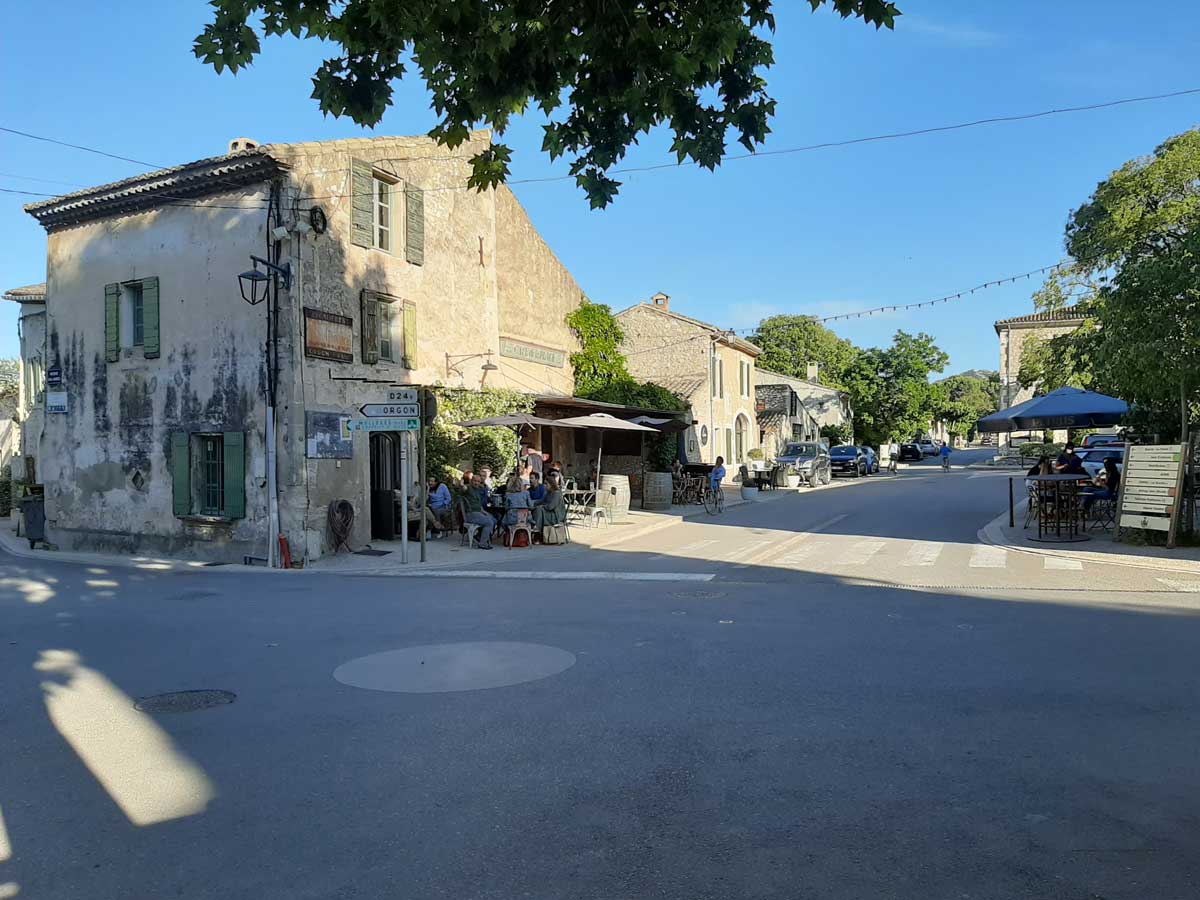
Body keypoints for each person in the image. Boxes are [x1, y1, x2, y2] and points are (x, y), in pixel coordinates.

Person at [461, 474, 495, 549]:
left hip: (478, 512)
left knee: (493, 519)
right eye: (475, 481)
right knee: (489, 522)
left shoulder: (477, 490)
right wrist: (462, 486)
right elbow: (463, 488)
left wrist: (483, 512)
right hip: (471, 514)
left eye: (478, 482)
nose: (476, 483)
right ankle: (482, 543)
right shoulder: (468, 488)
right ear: (471, 481)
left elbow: (478, 505)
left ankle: (477, 536)